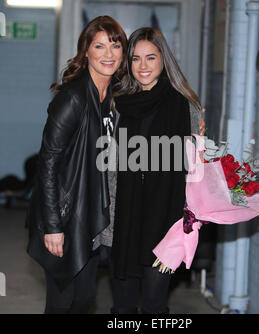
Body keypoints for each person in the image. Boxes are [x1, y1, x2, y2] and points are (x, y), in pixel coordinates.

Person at [26, 16, 127, 314]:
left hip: (92, 214)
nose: (108, 54)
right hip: (66, 216)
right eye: (99, 46)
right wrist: (53, 226)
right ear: (86, 52)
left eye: (115, 45)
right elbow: (48, 164)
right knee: (62, 302)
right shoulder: (73, 99)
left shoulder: (113, 98)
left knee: (84, 300)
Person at [110, 27, 202, 314]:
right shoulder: (118, 104)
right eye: (135, 59)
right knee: (122, 304)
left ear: (164, 60)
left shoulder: (184, 105)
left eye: (150, 58)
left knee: (154, 302)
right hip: (125, 215)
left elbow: (196, 168)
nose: (143, 66)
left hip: (165, 217)